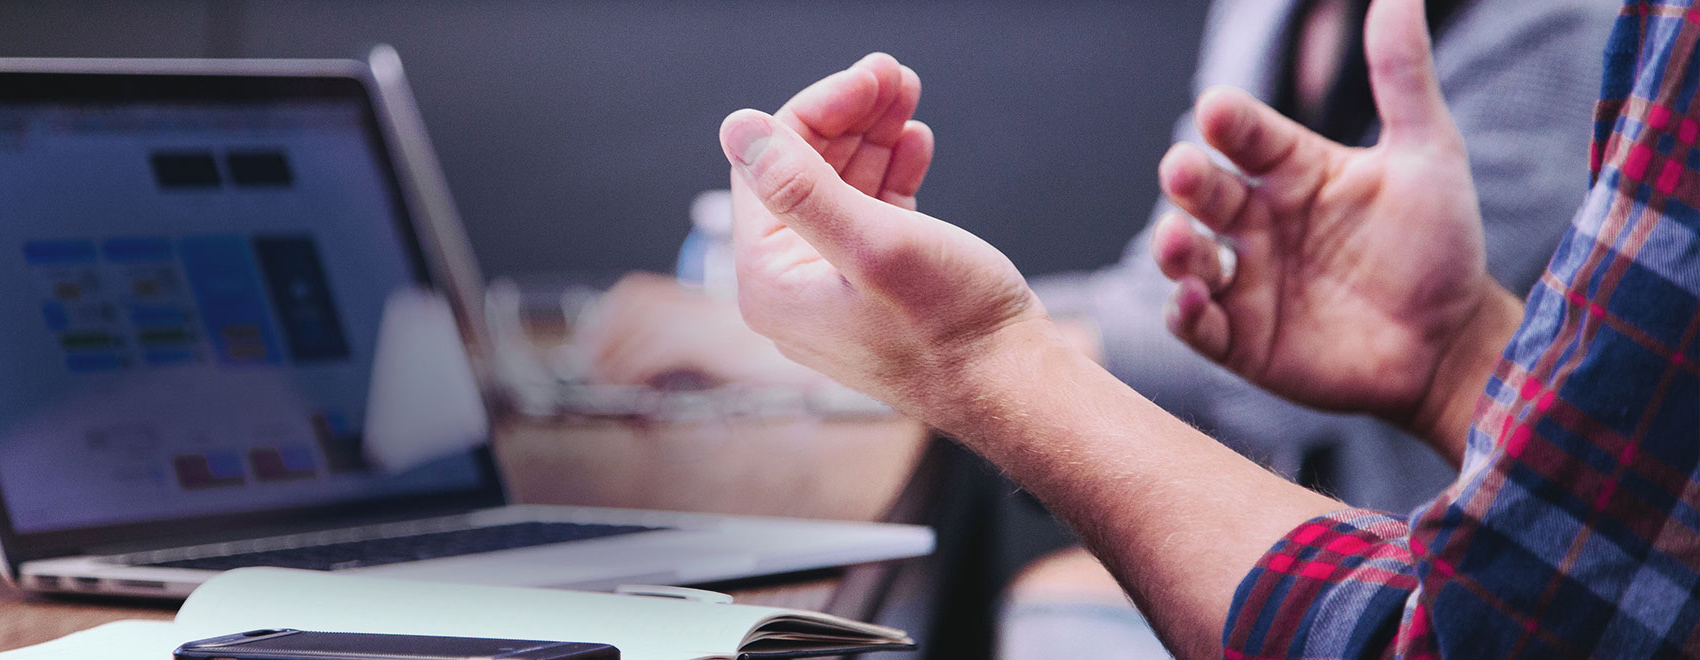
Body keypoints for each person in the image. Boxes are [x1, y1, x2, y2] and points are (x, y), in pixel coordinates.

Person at [711, 0, 1699, 655]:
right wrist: (1457, 357)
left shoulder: (1591, 25)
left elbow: (1480, 638)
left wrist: (978, 356)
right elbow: (1656, 526)